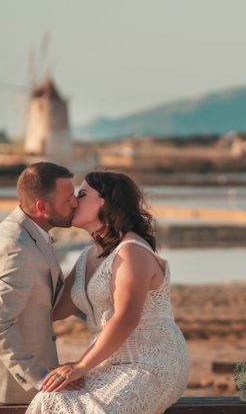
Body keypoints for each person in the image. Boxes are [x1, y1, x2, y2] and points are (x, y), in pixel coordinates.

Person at [26, 170, 190, 413]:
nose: (73, 201)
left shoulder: (131, 252)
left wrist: (80, 366)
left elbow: (126, 319)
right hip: (106, 362)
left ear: (105, 201)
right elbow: (53, 309)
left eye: (81, 195)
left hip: (152, 364)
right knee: (48, 399)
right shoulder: (86, 257)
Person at [0, 162, 80, 404]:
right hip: (1, 382)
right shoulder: (18, 248)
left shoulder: (24, 230)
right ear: (41, 207)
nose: (75, 203)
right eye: (68, 200)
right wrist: (42, 379)